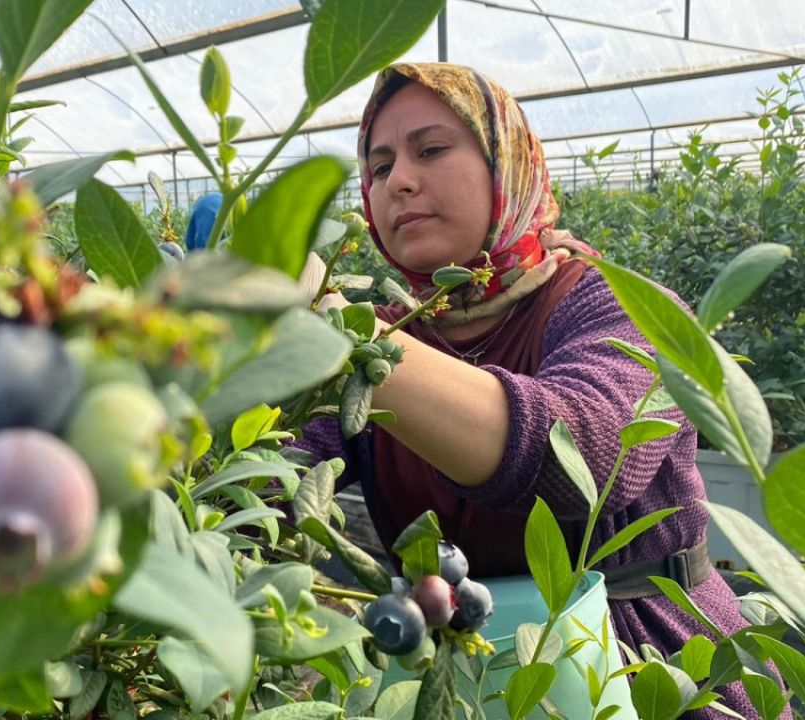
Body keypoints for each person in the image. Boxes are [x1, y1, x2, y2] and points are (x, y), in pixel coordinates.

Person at [297, 63, 769, 720]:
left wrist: (337, 328)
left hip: (657, 672)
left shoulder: (615, 304)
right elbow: (277, 457)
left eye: (431, 150)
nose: (398, 180)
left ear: (506, 164)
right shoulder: (396, 329)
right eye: (377, 168)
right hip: (462, 677)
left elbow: (578, 457)